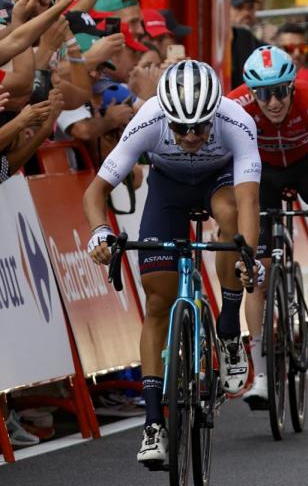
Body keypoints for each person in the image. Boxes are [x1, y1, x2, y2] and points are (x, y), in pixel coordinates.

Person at [83, 60, 262, 468]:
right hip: (168, 188)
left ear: (215, 114)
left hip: (220, 183)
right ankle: (153, 424)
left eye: (200, 127)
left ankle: (231, 330)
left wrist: (249, 258)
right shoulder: (148, 119)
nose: (192, 136)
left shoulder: (237, 121)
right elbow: (96, 192)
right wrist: (98, 232)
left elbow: (250, 201)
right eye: (182, 129)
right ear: (166, 117)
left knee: (231, 216)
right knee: (158, 305)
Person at [225, 46, 308, 407]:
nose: (274, 101)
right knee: (256, 273)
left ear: (293, 85)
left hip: (305, 166)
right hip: (260, 175)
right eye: (264, 93)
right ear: (252, 91)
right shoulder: (236, 106)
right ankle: (260, 374)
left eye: (281, 90)